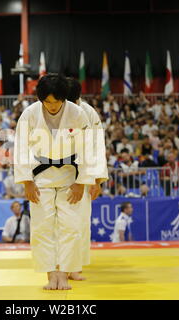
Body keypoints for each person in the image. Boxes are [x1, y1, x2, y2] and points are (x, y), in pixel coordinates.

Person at [14, 74, 95, 290]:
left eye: (56, 101)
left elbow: (88, 148)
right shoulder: (30, 114)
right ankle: (51, 275)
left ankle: (64, 273)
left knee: (71, 226)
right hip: (40, 177)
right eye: (47, 102)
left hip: (70, 176)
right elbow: (21, 148)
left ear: (64, 99)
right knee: (42, 227)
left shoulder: (77, 114)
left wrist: (82, 181)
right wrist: (27, 181)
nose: (51, 106)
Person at [66, 77, 108, 281]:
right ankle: (58, 264)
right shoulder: (54, 110)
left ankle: (76, 264)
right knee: (59, 223)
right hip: (57, 172)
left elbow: (97, 147)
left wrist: (97, 180)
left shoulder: (89, 113)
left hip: (83, 173)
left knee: (81, 221)